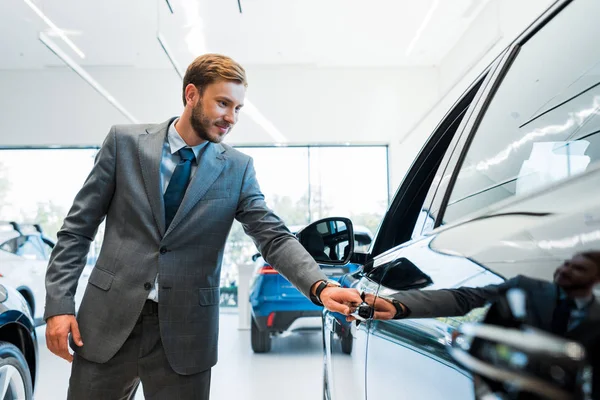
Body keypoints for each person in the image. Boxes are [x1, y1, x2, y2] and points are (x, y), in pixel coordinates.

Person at [44, 53, 363, 399]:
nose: (231, 118)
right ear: (191, 94)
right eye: (223, 103)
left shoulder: (238, 169)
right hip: (107, 322)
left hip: (185, 336)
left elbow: (272, 236)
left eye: (238, 108)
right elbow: (77, 228)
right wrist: (59, 304)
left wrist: (319, 286)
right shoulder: (124, 144)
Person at [361, 252, 600, 397]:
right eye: (567, 264)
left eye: (578, 269)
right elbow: (467, 298)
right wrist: (400, 305)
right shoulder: (526, 286)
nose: (566, 270)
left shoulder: (595, 317)